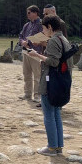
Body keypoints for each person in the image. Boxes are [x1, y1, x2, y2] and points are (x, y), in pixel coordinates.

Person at [28, 15, 73, 156]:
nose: (43, 31)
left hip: (51, 82)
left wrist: (37, 55)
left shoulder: (54, 40)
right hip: (60, 81)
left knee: (48, 114)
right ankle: (58, 146)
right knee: (56, 114)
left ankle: (52, 147)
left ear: (50, 27)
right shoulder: (64, 39)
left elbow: (53, 62)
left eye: (43, 28)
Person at [18, 5, 44, 103]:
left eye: (29, 13)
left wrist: (28, 42)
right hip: (26, 52)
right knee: (26, 74)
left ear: (35, 13)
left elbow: (42, 36)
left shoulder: (41, 24)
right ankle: (27, 94)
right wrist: (22, 42)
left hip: (36, 52)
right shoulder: (26, 25)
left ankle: (37, 95)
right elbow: (20, 36)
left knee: (37, 75)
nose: (27, 15)